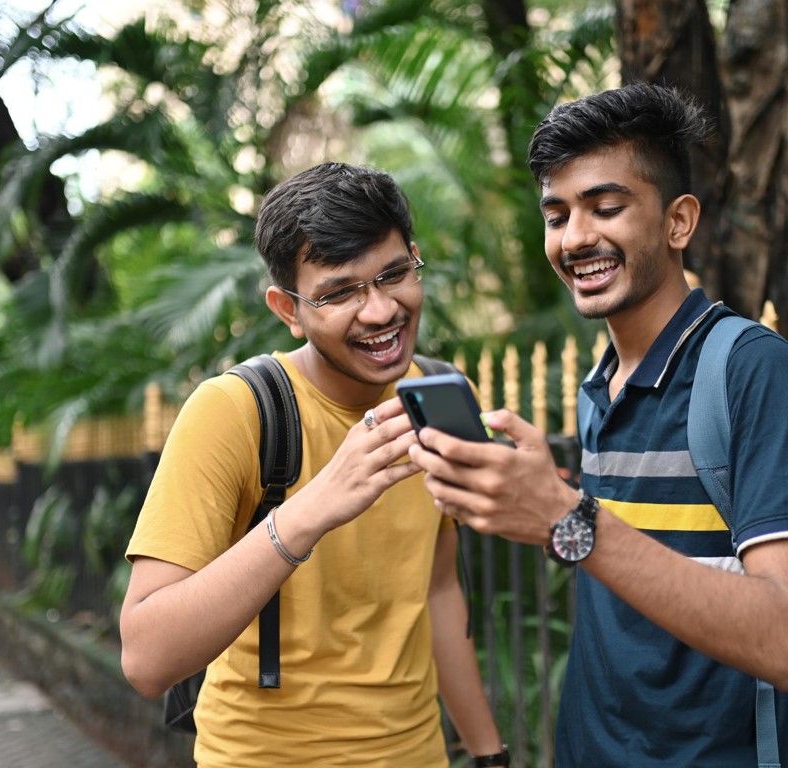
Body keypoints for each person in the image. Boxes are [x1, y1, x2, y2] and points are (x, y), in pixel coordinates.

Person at [407, 84, 788, 766]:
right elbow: (628, 572)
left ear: (678, 222)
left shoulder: (754, 370)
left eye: (606, 208)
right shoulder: (599, 384)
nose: (577, 238)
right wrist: (541, 508)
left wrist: (565, 519)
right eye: (557, 216)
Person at [120, 162, 507, 768]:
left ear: (414, 257)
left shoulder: (436, 391)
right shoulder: (234, 411)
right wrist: (312, 509)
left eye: (393, 275)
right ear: (289, 309)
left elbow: (436, 590)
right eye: (338, 293)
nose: (380, 311)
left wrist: (489, 754)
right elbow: (146, 660)